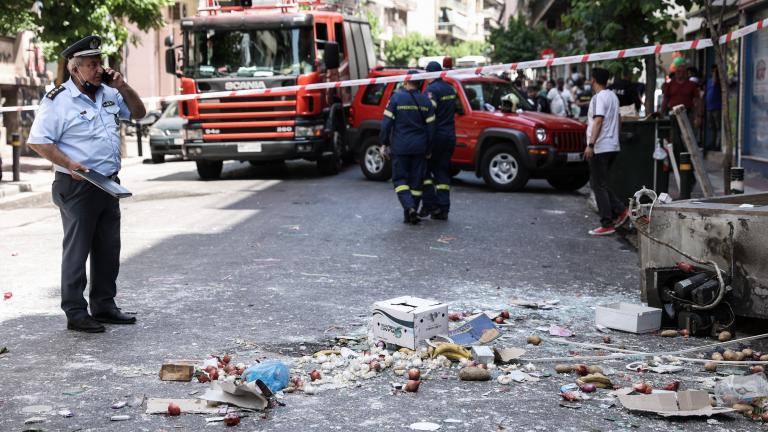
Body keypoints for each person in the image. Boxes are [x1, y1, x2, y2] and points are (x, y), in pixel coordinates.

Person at [27, 35, 146, 332]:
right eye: (91, 64)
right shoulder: (58, 100)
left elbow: (139, 113)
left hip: (108, 184)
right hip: (76, 184)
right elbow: (39, 141)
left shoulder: (109, 92)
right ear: (75, 69)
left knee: (108, 248)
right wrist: (69, 163)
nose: (98, 69)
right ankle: (76, 312)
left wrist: (123, 86)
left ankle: (104, 305)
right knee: (78, 250)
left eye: (99, 63)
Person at [379, 70, 436, 225]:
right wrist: (429, 149)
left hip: (401, 147)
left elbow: (386, 124)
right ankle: (411, 213)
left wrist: (384, 143)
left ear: (406, 82)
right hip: (420, 148)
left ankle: (409, 208)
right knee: (416, 182)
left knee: (399, 180)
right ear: (419, 83)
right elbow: (431, 129)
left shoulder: (396, 98)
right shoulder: (426, 101)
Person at [584, 67, 628, 236]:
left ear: (593, 80)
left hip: (601, 147)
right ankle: (621, 211)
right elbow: (618, 119)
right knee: (600, 183)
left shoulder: (599, 98)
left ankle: (607, 222)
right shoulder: (613, 97)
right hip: (612, 146)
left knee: (598, 185)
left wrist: (591, 144)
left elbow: (598, 121)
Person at [420, 61, 462, 220]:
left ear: (430, 74)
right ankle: (444, 208)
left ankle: (430, 205)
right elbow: (458, 109)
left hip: (436, 136)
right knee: (442, 172)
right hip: (450, 136)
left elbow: (428, 113)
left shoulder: (431, 91)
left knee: (425, 171)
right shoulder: (451, 89)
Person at [705, 65, 722, 154]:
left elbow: (715, 82)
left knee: (718, 126)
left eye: (715, 71)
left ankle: (717, 144)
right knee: (712, 126)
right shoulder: (709, 81)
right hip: (709, 107)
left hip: (717, 106)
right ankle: (713, 142)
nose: (713, 73)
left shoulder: (718, 81)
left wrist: (716, 73)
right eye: (712, 71)